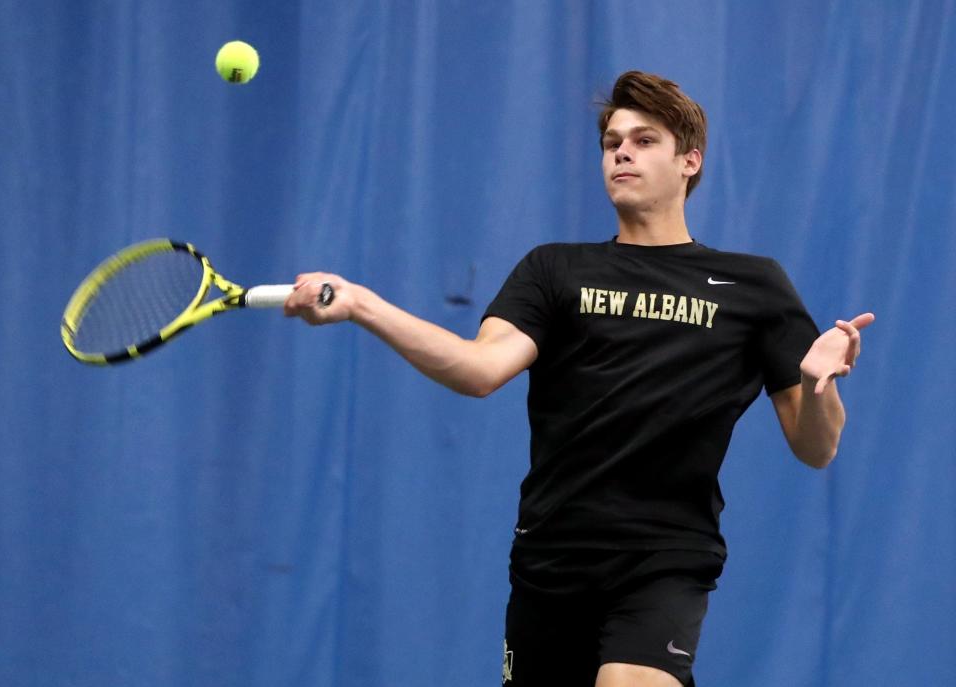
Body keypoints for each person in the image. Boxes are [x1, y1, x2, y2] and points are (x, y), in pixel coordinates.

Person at [283, 70, 874, 687]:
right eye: (612, 141)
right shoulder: (554, 270)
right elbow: (479, 369)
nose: (621, 151)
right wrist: (361, 305)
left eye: (645, 140)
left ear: (689, 161)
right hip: (550, 559)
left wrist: (815, 385)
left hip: (664, 557)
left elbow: (818, 447)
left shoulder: (754, 286)